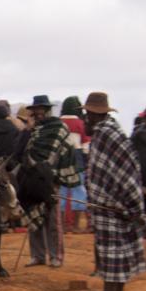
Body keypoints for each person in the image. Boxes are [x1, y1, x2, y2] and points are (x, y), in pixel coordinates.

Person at [84, 92, 146, 291]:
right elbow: (125, 171)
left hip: (109, 203)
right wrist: (132, 203)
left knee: (110, 251)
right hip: (120, 201)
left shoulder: (103, 134)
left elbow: (110, 171)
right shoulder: (115, 131)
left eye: (88, 114)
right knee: (118, 249)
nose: (87, 118)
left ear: (92, 114)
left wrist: (102, 196)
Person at [19, 94, 75, 268]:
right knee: (33, 216)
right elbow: (20, 151)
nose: (38, 113)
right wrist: (27, 130)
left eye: (41, 109)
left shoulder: (60, 128)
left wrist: (57, 175)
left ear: (47, 109)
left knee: (52, 220)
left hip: (51, 179)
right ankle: (38, 256)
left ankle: (56, 256)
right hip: (33, 181)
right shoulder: (33, 130)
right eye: (35, 110)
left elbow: (68, 152)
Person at [59, 96, 90, 232]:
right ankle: (76, 226)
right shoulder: (81, 124)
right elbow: (86, 146)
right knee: (78, 192)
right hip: (77, 159)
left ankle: (63, 226)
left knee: (62, 192)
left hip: (61, 160)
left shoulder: (58, 123)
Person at [130, 106, 146, 218]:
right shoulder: (138, 134)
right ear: (144, 119)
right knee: (141, 207)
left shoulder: (136, 133)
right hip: (141, 179)